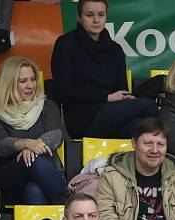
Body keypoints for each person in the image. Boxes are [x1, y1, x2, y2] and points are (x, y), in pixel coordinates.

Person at [51, 0, 158, 138]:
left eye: (101, 15)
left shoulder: (115, 49)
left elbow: (122, 89)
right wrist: (106, 97)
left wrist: (126, 99)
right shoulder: (65, 44)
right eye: (89, 15)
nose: (96, 20)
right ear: (79, 17)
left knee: (139, 127)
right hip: (82, 118)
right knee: (149, 106)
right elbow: (64, 91)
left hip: (112, 112)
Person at [0, 56, 67, 206]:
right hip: (11, 181)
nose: (30, 85)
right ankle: (70, 204)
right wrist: (24, 144)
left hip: (46, 179)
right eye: (23, 81)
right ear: (8, 84)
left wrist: (33, 147)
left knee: (34, 189)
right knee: (33, 161)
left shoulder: (47, 106)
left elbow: (56, 135)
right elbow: (0, 146)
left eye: (33, 79)